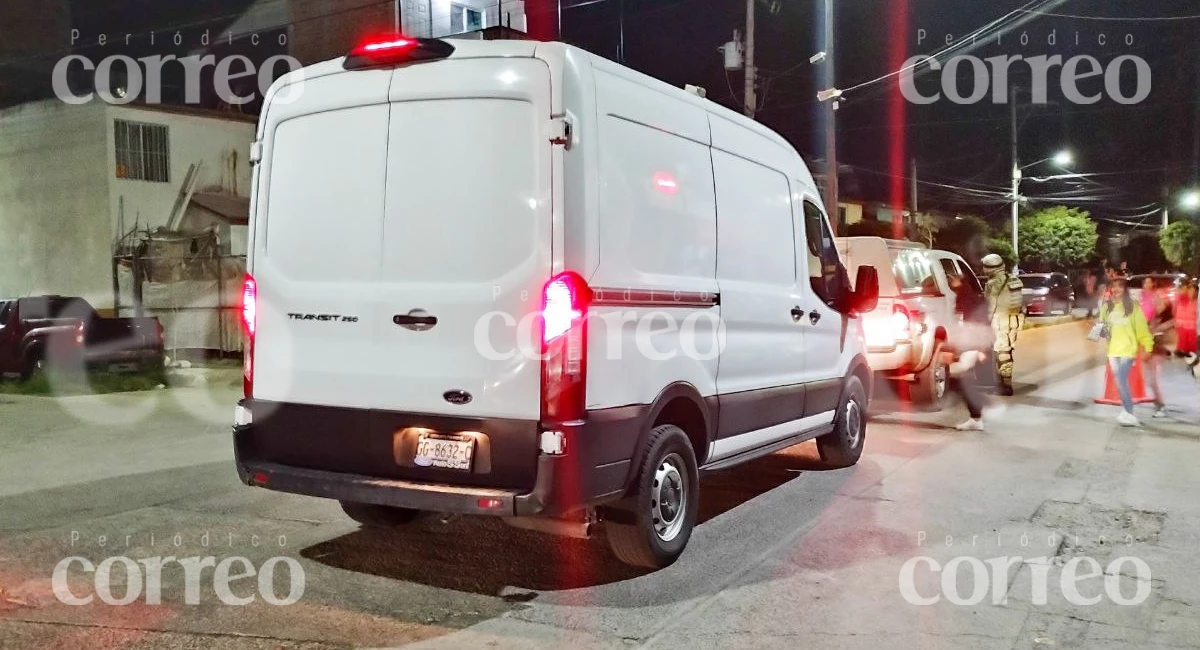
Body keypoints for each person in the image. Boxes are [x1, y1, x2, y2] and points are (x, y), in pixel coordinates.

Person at [1098, 278, 1156, 426]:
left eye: (1120, 286)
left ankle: (1129, 412)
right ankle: (1126, 411)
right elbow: (1102, 326)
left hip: (1128, 351)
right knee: (1119, 382)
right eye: (1114, 287)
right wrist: (1100, 331)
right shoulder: (1107, 307)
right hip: (1112, 351)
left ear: (1125, 289)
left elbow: (1142, 329)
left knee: (1122, 380)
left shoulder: (1133, 307)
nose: (1116, 289)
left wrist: (1148, 347)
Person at [946, 274, 994, 431]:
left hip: (972, 344)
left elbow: (981, 324)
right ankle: (976, 414)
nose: (951, 282)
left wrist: (982, 349)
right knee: (960, 378)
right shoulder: (965, 297)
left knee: (959, 375)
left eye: (955, 280)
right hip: (967, 344)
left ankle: (977, 414)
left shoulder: (971, 300)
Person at [981, 254, 1024, 396]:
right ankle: (1004, 383)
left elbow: (991, 305)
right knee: (1007, 351)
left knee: (1002, 353)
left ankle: (1006, 386)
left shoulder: (994, 283)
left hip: (1000, 320)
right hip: (1013, 320)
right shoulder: (1013, 279)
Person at [1174, 281, 1198, 358]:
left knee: (1191, 342)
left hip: (1193, 325)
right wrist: (1177, 321)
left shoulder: (1196, 302)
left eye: (1194, 291)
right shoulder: (1182, 299)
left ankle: (1188, 353)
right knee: (1182, 340)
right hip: (1182, 324)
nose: (1192, 292)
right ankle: (1181, 351)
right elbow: (1177, 311)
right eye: (1190, 290)